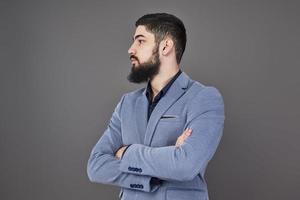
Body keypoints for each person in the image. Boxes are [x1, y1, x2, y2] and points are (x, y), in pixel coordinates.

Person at [87, 13, 225, 200]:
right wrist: (149, 178)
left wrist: (126, 152)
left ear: (166, 46)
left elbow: (185, 165)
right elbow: (96, 166)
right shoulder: (127, 103)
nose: (130, 49)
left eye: (140, 41)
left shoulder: (203, 98)